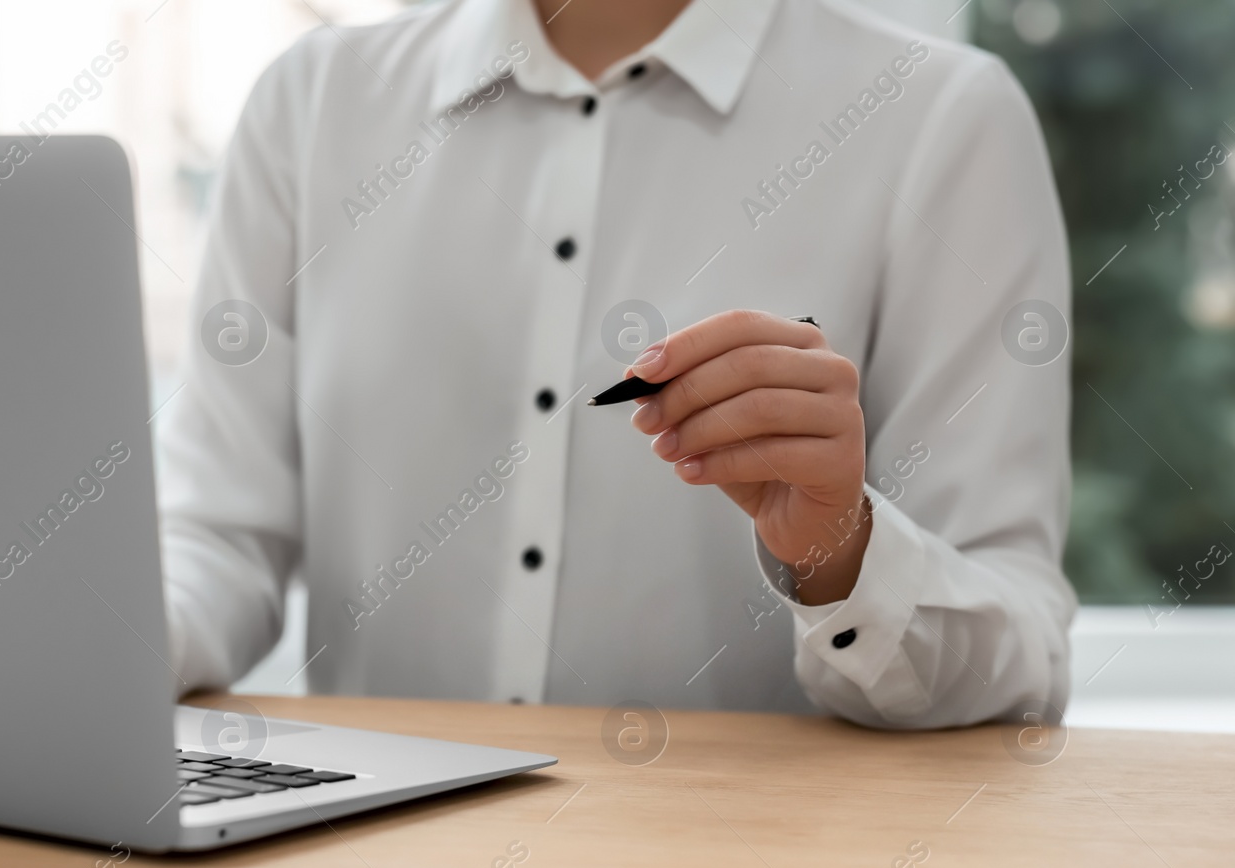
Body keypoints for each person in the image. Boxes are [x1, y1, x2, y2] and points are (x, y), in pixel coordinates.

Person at [156, 0, 1074, 728]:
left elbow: (1021, 659)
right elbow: (217, 537)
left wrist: (842, 554)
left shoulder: (940, 118)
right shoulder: (311, 104)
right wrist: (91, 642)